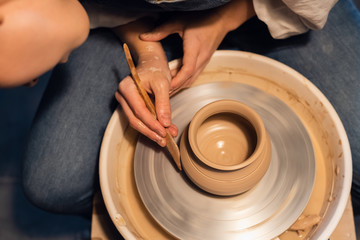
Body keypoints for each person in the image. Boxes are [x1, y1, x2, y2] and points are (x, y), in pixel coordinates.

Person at [1, 0, 359, 218]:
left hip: (272, 5)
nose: (35, 82)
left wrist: (221, 20)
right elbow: (94, 8)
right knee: (52, 184)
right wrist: (148, 53)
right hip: (131, 16)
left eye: (28, 78)